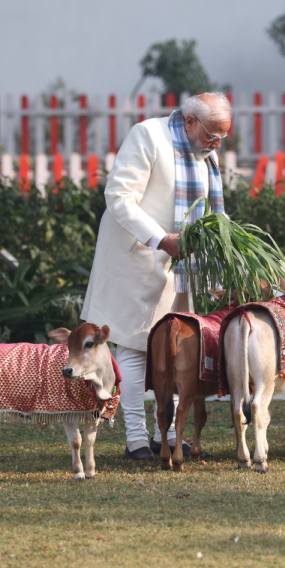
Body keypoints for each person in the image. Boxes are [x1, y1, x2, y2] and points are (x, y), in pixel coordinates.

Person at [81, 92, 230, 460]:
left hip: (180, 267)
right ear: (190, 121)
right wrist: (161, 239)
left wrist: (220, 260)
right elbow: (118, 196)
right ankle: (136, 440)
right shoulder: (147, 135)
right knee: (135, 348)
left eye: (222, 138)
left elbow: (211, 214)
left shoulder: (205, 153)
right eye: (212, 135)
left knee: (178, 351)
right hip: (137, 258)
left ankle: (171, 436)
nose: (216, 145)